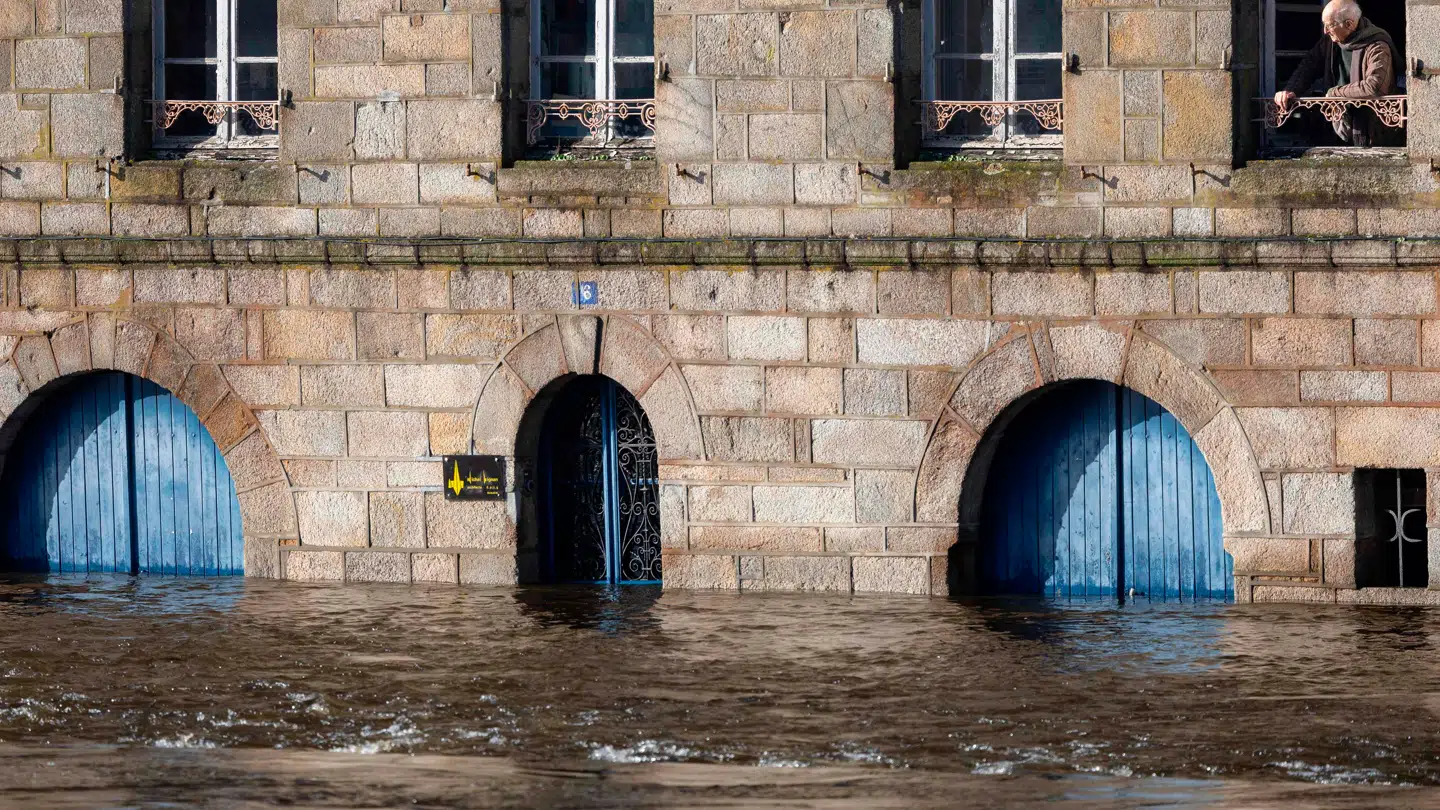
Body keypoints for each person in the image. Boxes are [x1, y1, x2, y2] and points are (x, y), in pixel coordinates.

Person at [1272, 0, 1400, 146]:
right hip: (1334, 129)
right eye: (1324, 24)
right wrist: (1290, 90)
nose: (1325, 30)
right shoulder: (1329, 43)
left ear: (1349, 24)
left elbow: (1375, 87)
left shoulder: (1377, 46)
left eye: (1330, 25)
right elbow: (1308, 67)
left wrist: (1334, 93)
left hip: (1371, 133)